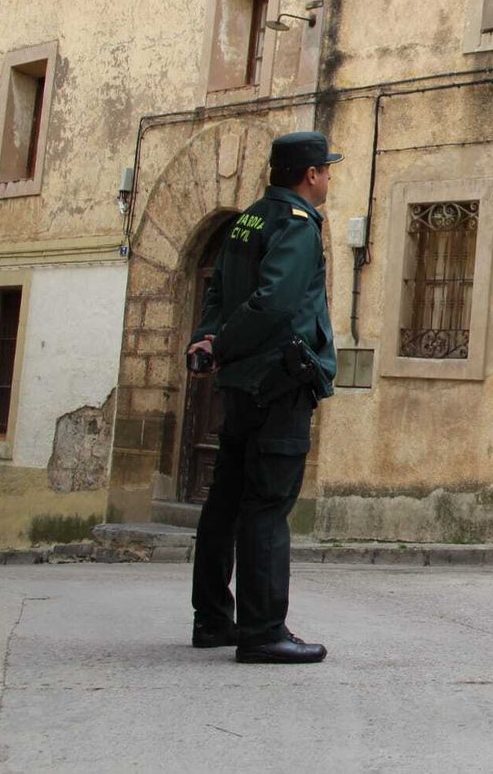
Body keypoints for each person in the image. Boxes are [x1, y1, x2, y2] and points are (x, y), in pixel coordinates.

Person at [186, 131, 341, 664]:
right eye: (326, 169)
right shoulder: (297, 225)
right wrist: (224, 345)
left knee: (226, 501)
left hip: (240, 384)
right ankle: (263, 631)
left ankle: (212, 620)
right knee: (268, 506)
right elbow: (275, 303)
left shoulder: (247, 219)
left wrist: (207, 338)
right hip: (277, 383)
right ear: (311, 175)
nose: (328, 178)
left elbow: (217, 290)